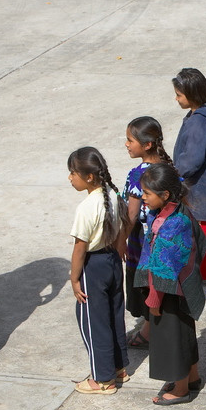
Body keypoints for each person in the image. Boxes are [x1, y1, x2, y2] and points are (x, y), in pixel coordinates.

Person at [135, 163, 206, 405]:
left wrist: (153, 300)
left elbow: (163, 267)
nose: (143, 198)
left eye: (147, 193)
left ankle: (180, 389)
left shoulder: (174, 223)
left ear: (165, 195)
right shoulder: (176, 213)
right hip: (180, 292)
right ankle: (192, 377)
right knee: (185, 333)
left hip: (170, 294)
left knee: (172, 338)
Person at [68, 147, 130, 394]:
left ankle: (103, 380)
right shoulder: (114, 195)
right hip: (112, 261)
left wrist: (74, 279)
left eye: (73, 173)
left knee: (95, 323)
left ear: (89, 177)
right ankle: (118, 368)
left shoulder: (86, 207)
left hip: (93, 267)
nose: (70, 178)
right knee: (115, 316)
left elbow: (79, 248)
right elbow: (122, 228)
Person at [122, 116, 173, 350]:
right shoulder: (168, 168)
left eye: (130, 140)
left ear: (147, 145)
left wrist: (119, 242)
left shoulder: (138, 175)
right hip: (164, 239)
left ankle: (149, 329)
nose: (126, 144)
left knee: (145, 284)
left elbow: (131, 216)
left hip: (143, 242)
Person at [172, 68, 206, 281]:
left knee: (202, 232)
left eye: (179, 94)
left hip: (199, 189)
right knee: (205, 229)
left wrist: (174, 174)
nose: (176, 99)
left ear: (192, 95)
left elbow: (192, 160)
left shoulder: (198, 122)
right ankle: (204, 271)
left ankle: (204, 274)